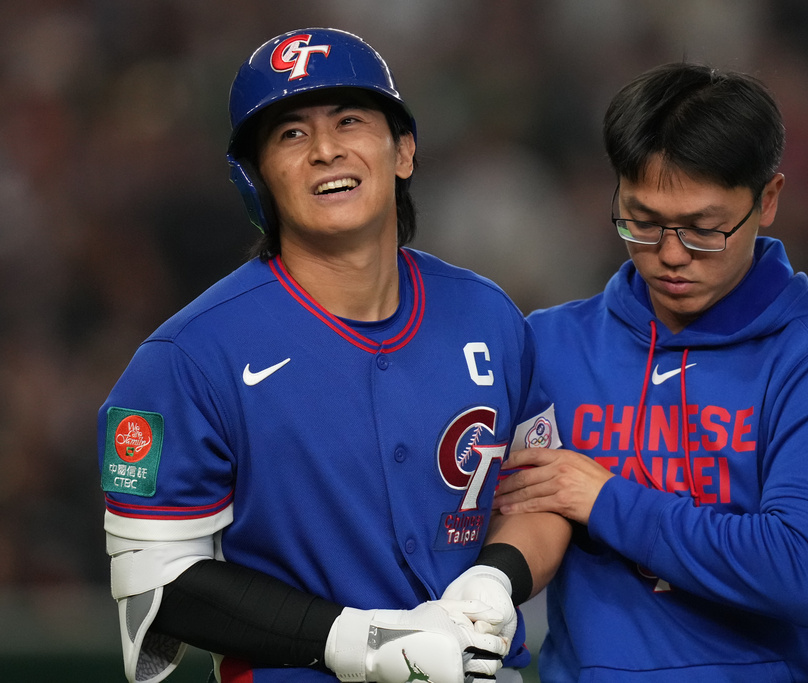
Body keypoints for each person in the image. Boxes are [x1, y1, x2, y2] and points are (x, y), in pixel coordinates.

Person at [97, 27, 569, 683]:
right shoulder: (187, 356)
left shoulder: (489, 316)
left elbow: (540, 494)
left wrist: (495, 578)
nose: (325, 150)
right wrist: (361, 641)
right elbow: (160, 584)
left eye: (349, 121)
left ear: (403, 150)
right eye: (291, 134)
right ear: (256, 178)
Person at [494, 63, 808, 682]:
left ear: (768, 199)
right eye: (642, 221)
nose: (671, 255)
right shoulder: (548, 345)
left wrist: (605, 500)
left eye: (704, 229)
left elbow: (805, 572)